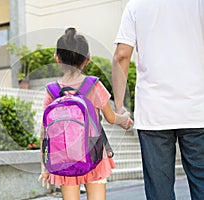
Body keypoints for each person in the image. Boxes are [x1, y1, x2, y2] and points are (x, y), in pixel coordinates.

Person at [112, 0, 204, 199]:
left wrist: (119, 107)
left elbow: (121, 55)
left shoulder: (136, 5)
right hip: (197, 110)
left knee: (159, 192)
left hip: (154, 114)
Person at [38, 27, 132, 200]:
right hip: (94, 153)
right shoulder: (93, 85)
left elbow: (45, 131)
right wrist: (124, 119)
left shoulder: (51, 91)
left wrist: (45, 165)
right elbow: (111, 118)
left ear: (57, 59)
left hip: (64, 158)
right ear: (87, 60)